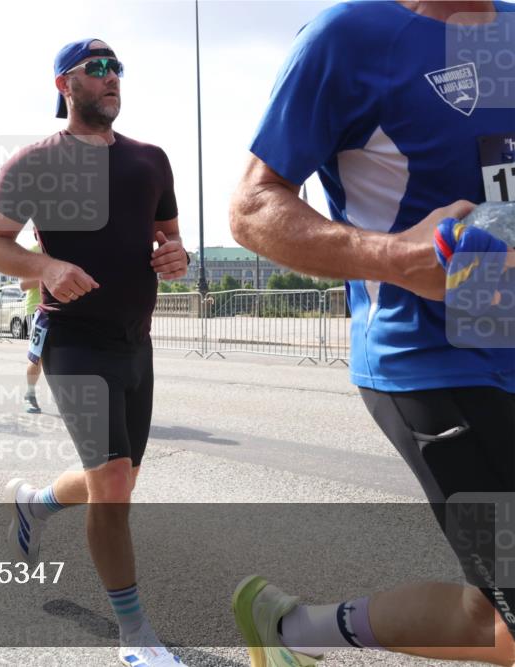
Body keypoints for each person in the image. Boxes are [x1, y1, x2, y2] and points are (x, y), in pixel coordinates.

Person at [227, 3, 515, 667]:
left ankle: (293, 630)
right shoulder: (350, 38)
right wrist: (396, 258)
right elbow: (251, 207)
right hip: (432, 362)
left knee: (492, 618)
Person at [0, 38, 188, 667]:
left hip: (135, 340)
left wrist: (177, 259)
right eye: (96, 70)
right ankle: (136, 636)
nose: (111, 78)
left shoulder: (152, 160)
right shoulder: (34, 162)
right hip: (72, 338)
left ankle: (36, 503)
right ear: (64, 85)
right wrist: (46, 264)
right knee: (115, 486)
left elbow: (170, 243)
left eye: (117, 68)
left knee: (116, 484)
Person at [20, 242, 44, 413]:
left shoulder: (68, 247)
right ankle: (29, 394)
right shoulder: (33, 251)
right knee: (38, 356)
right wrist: (51, 273)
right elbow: (23, 284)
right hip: (37, 309)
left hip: (63, 308)